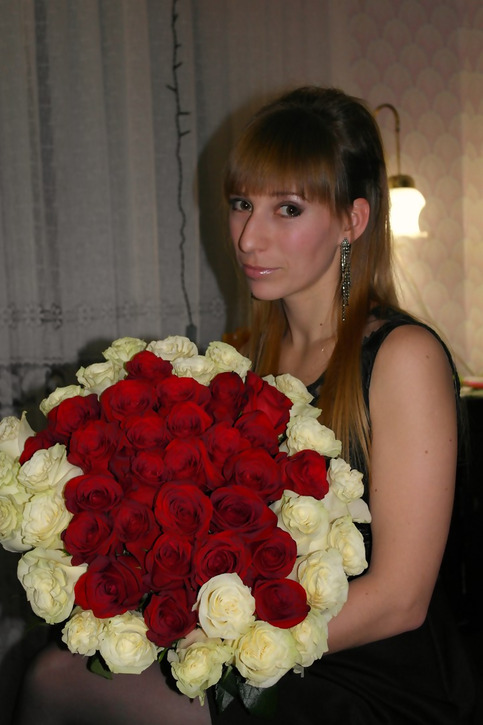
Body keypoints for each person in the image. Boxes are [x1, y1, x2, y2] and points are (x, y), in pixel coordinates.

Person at [13, 86, 476, 724]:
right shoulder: (247, 358)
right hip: (269, 654)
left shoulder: (402, 357)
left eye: (287, 208)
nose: (250, 238)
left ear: (353, 220)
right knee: (58, 669)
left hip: (374, 676)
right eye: (241, 205)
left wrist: (220, 647)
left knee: (55, 684)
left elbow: (402, 599)